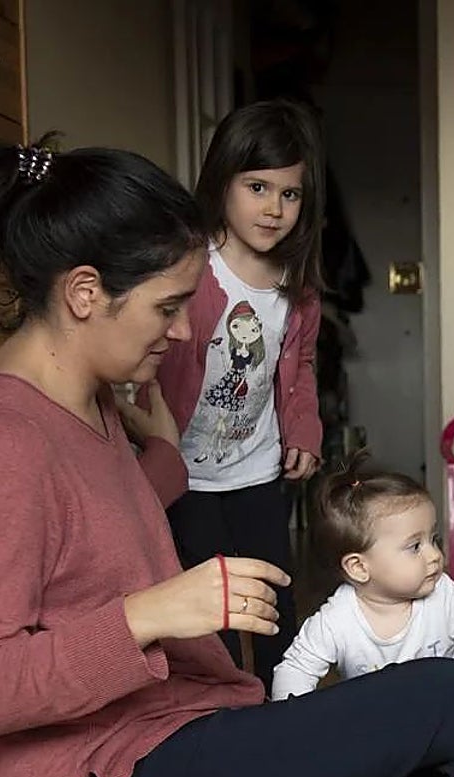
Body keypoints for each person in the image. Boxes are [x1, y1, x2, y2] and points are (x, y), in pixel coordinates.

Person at [0, 138, 454, 777]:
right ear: (85, 293)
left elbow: (94, 513)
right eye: (168, 306)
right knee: (446, 700)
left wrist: (167, 452)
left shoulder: (90, 405)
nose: (180, 333)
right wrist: (146, 614)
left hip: (178, 730)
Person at [157, 99, 325, 692]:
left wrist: (304, 429)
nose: (274, 208)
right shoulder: (190, 270)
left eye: (290, 194)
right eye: (257, 187)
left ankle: (288, 702)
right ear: (221, 180)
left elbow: (299, 366)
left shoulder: (295, 290)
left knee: (275, 596)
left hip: (257, 472)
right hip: (188, 477)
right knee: (213, 608)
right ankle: (223, 707)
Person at [271, 457, 454, 701]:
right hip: (383, 727)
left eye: (434, 539)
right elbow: (295, 669)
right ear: (359, 567)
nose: (435, 555)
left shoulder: (445, 596)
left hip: (451, 712)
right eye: (415, 546)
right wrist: (295, 724)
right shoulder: (336, 620)